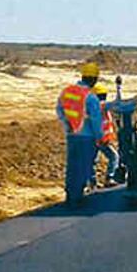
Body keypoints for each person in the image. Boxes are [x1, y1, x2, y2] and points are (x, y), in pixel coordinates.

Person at [55, 61, 103, 205]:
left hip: (71, 135)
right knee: (83, 166)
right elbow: (95, 119)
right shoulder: (91, 97)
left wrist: (67, 124)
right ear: (94, 79)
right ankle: (78, 197)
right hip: (87, 137)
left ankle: (70, 195)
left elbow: (59, 109)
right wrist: (99, 136)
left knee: (72, 166)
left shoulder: (67, 92)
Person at [91, 83, 121, 187]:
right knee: (114, 157)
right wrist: (118, 87)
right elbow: (117, 101)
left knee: (92, 161)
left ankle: (92, 182)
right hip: (101, 140)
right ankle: (109, 178)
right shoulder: (100, 106)